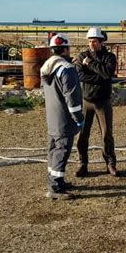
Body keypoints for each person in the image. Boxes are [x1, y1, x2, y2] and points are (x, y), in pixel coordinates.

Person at [41, 33, 84, 200]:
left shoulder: (47, 68)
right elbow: (72, 96)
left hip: (52, 118)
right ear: (66, 49)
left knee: (53, 149)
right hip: (64, 118)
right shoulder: (66, 69)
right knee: (62, 150)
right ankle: (55, 188)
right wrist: (78, 117)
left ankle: (55, 180)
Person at [75, 27, 119, 177]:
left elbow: (107, 73)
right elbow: (81, 75)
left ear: (101, 42)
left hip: (103, 102)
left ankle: (110, 163)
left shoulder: (109, 57)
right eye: (89, 41)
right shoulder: (82, 56)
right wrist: (100, 77)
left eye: (94, 41)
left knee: (107, 134)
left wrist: (91, 65)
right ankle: (83, 163)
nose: (91, 44)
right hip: (86, 101)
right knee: (83, 134)